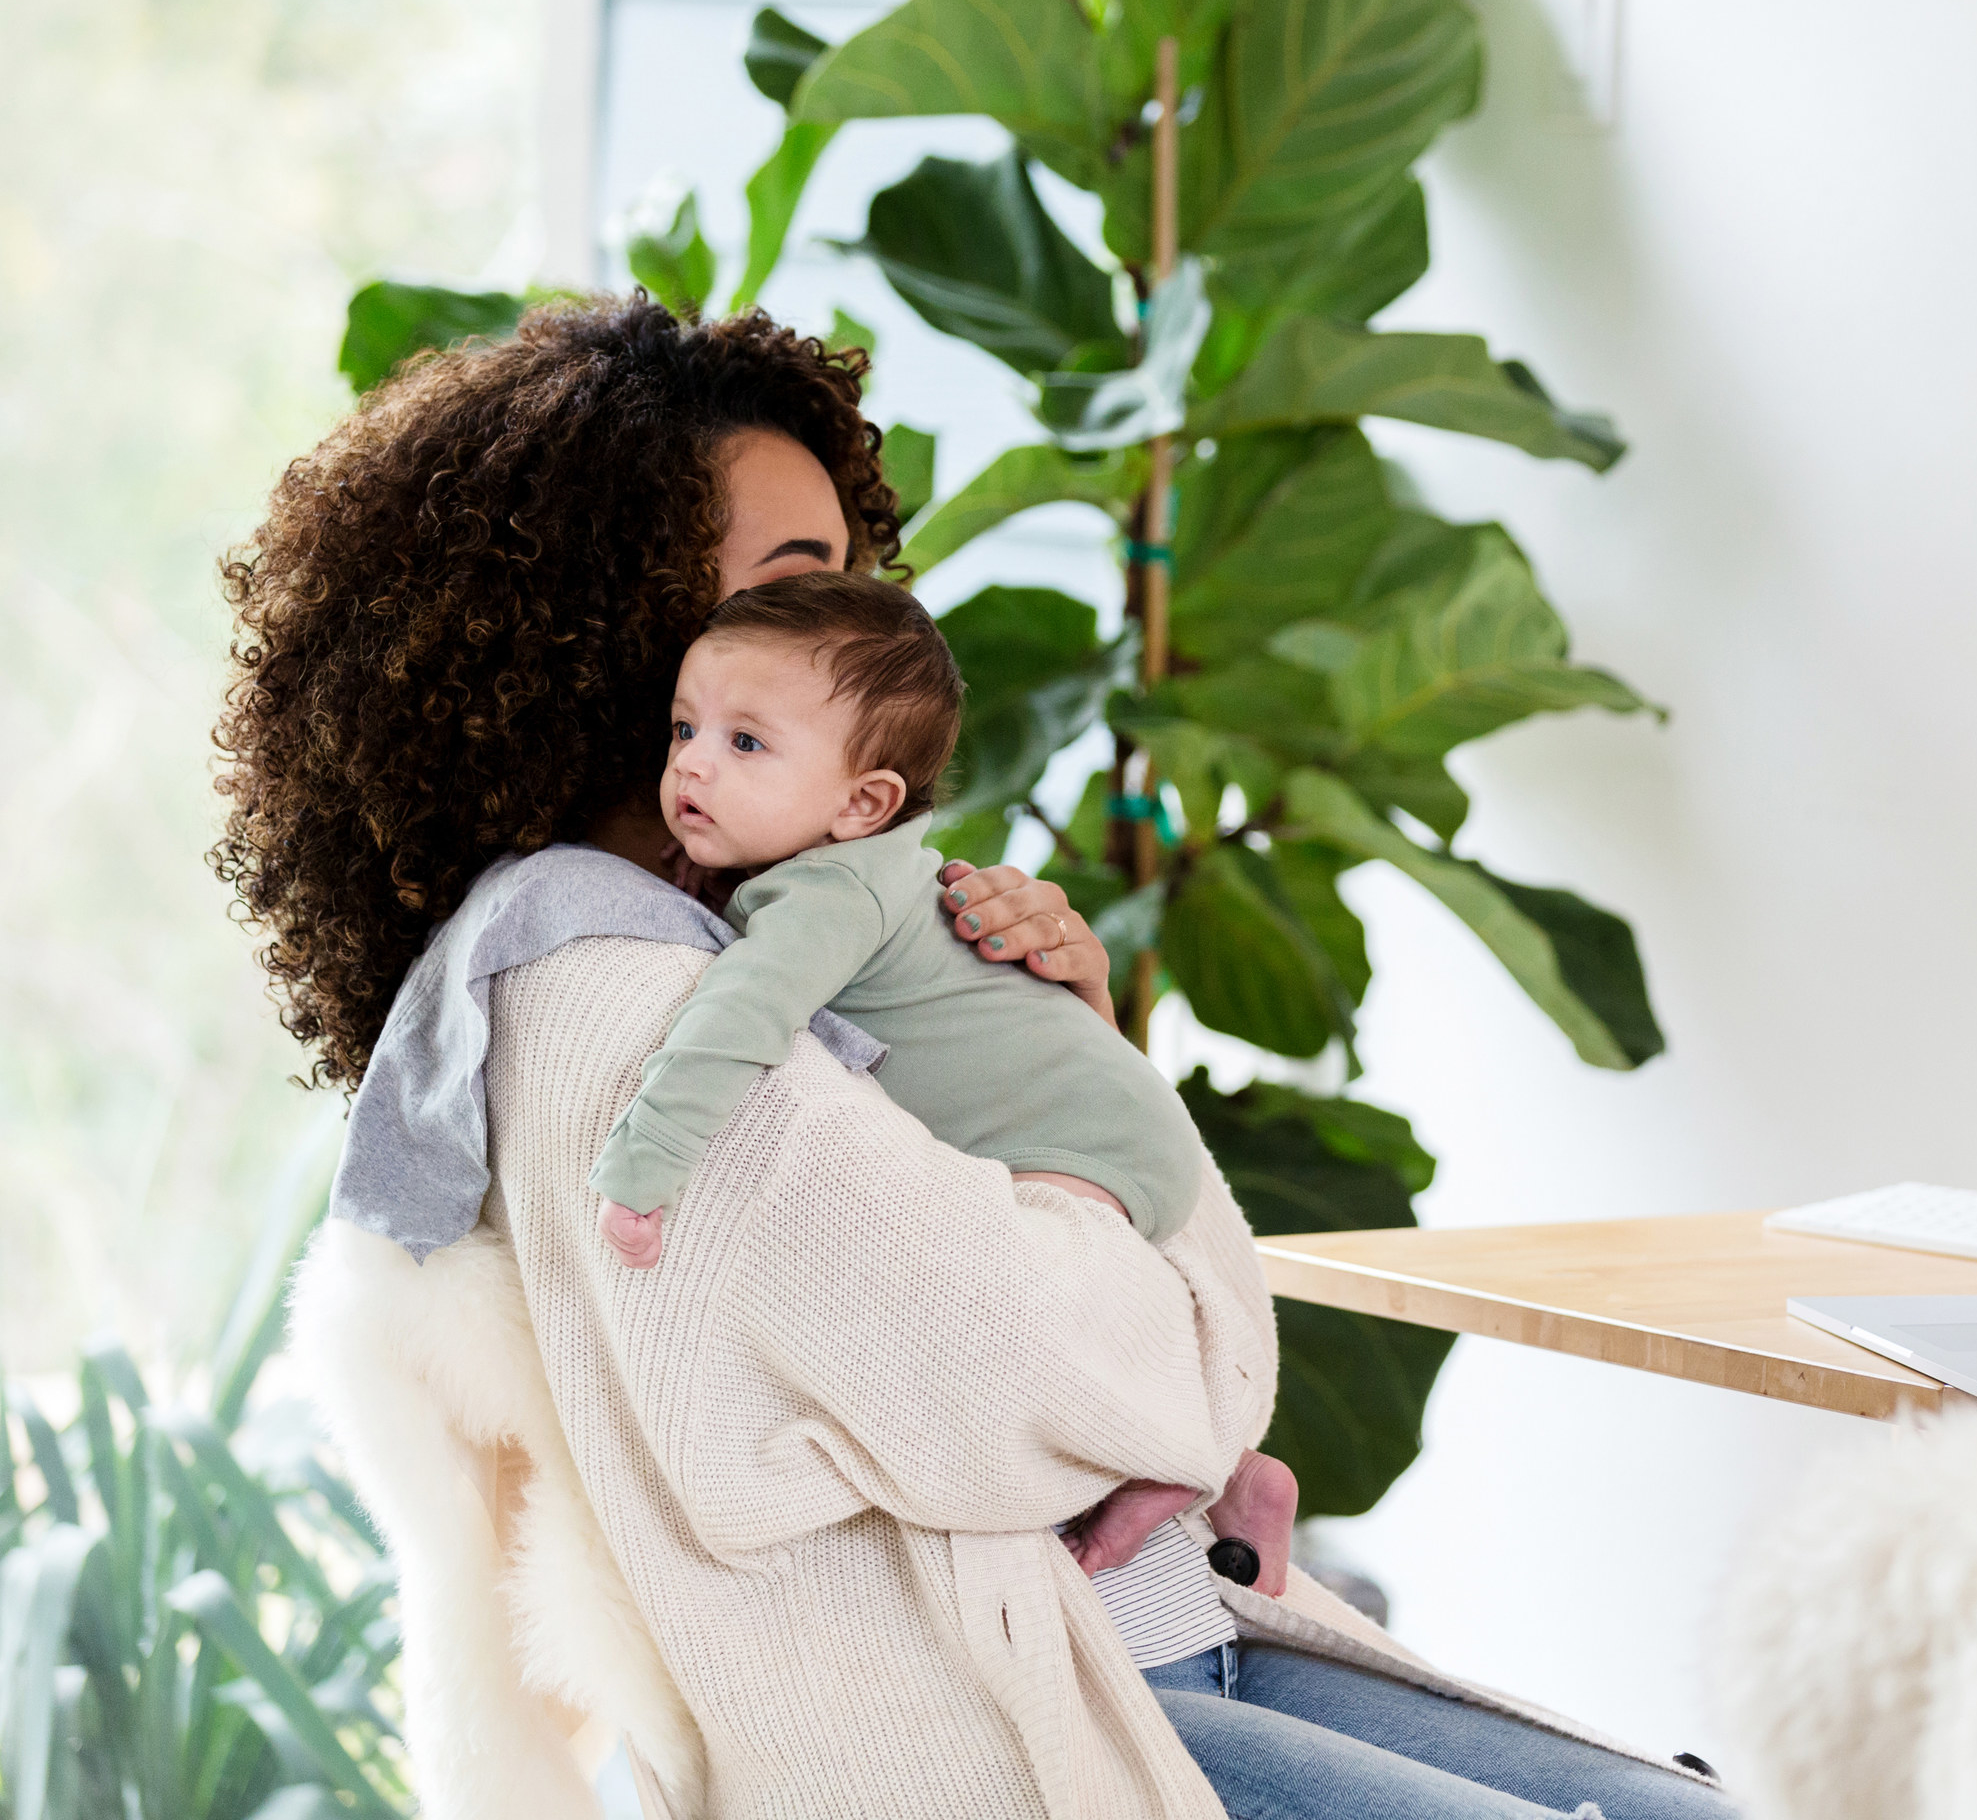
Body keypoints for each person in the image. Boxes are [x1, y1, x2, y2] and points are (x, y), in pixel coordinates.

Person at [221, 297, 1733, 1819]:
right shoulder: (620, 1007)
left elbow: (1161, 1313)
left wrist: (1070, 1043)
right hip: (1029, 1735)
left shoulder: (792, 943)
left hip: (1161, 1647)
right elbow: (1066, 1361)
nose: (861, 642)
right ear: (603, 632)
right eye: (793, 592)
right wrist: (1177, 1366)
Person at [589, 573, 1200, 1266]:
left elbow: (739, 1012)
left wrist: (644, 1168)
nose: (690, 764)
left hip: (1085, 1148)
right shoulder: (866, 872)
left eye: (746, 744)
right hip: (1123, 1123)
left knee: (973, 1291)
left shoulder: (835, 893)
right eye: (685, 728)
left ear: (862, 805)